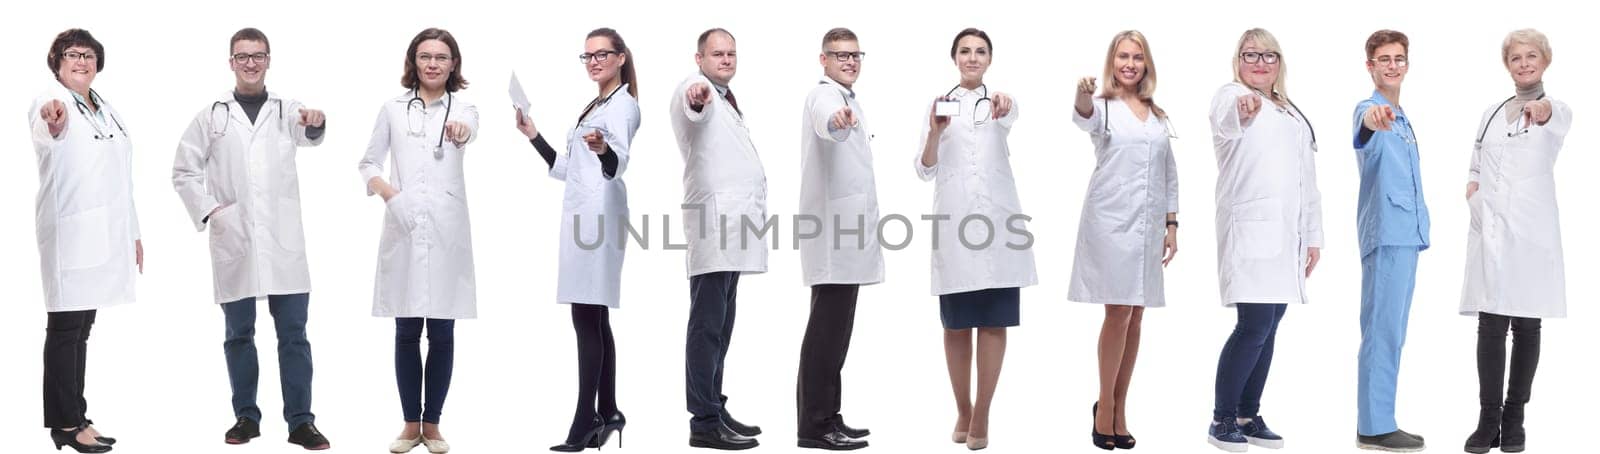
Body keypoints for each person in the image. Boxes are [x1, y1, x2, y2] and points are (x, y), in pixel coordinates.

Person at [171, 27, 330, 450]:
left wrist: (315, 122)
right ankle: (246, 417)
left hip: (283, 244)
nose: (250, 63)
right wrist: (211, 212)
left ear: (269, 59)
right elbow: (183, 171)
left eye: (258, 56)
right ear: (231, 62)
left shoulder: (286, 109)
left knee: (294, 335)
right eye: (242, 57)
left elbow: (308, 131)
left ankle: (301, 422)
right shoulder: (212, 115)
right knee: (238, 334)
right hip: (235, 240)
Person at [515, 27, 640, 453]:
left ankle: (585, 419)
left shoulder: (623, 106)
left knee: (587, 318)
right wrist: (534, 136)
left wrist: (605, 148)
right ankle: (610, 410)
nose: (594, 61)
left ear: (621, 57)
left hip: (599, 221)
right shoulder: (596, 104)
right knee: (595, 317)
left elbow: (616, 163)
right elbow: (569, 168)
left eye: (602, 54)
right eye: (587, 56)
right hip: (582, 219)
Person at [914, 27, 1036, 452]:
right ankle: (962, 408)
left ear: (989, 59)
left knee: (994, 320)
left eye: (980, 51)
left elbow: (1011, 110)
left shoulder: (1000, 104)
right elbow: (924, 168)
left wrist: (1005, 103)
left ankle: (982, 412)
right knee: (956, 324)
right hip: (956, 229)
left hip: (999, 229)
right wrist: (934, 130)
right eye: (964, 51)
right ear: (954, 58)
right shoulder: (939, 106)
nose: (972, 57)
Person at [358, 27, 479, 454]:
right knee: (407, 330)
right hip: (404, 227)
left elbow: (467, 130)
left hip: (447, 230)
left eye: (441, 57)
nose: (433, 64)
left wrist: (461, 132)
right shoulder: (392, 109)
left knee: (442, 330)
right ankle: (411, 426)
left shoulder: (463, 109)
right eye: (425, 56)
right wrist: (392, 195)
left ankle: (435, 424)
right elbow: (368, 162)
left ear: (453, 64)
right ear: (414, 61)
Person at [1204, 28, 1322, 453]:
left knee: (1270, 326)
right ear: (1238, 61)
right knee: (1252, 324)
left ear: (1279, 64)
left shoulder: (1290, 112)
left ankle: (1247, 414)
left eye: (1269, 56)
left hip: (1285, 236)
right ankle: (1221, 419)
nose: (1260, 62)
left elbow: (1308, 181)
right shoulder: (1230, 95)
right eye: (1251, 55)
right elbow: (1226, 116)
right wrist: (1243, 107)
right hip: (1250, 230)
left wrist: (1312, 236)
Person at [1067, 29, 1178, 451]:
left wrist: (1172, 224)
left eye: (1136, 57)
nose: (1129, 64)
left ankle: (1118, 404)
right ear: (1111, 63)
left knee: (1136, 315)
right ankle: (1106, 410)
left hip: (1148, 225)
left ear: (1146, 64)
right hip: (1110, 222)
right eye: (1121, 57)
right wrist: (1081, 93)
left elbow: (1169, 171)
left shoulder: (1157, 114)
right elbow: (1083, 117)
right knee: (1117, 311)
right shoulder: (1103, 107)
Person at [1459, 28, 1569, 454]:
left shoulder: (1557, 109)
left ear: (1545, 60)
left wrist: (1540, 108)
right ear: (1507, 65)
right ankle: (1487, 420)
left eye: (1531, 56)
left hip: (1530, 232)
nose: (1523, 64)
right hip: (1489, 229)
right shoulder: (1492, 111)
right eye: (1516, 58)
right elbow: (1475, 162)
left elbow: (1547, 116)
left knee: (1526, 323)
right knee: (1490, 324)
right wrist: (1473, 191)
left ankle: (1514, 418)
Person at [32, 27, 141, 454]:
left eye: (89, 55)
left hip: (105, 234)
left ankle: (78, 415)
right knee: (65, 329)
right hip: (71, 231)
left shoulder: (103, 107)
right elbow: (48, 128)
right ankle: (64, 424)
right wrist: (53, 121)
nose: (82, 61)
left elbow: (121, 177)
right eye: (73, 55)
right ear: (57, 63)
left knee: (81, 330)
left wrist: (132, 232)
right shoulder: (51, 101)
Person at [669, 27, 768, 451]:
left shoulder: (726, 97)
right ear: (699, 59)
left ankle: (716, 405)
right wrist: (698, 96)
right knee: (707, 326)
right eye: (717, 54)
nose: (726, 59)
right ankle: (703, 422)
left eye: (731, 53)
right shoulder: (696, 90)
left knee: (723, 326)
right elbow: (692, 102)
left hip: (735, 227)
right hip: (715, 224)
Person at [794, 26, 883, 452]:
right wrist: (836, 122)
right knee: (826, 333)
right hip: (833, 236)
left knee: (838, 330)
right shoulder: (824, 97)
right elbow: (826, 122)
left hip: (848, 237)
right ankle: (814, 425)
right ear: (823, 59)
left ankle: (829, 415)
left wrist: (844, 117)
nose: (849, 61)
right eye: (840, 55)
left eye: (855, 55)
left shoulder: (849, 98)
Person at [1352, 29, 1428, 453]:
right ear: (1371, 66)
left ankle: (1383, 418)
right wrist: (1372, 121)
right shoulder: (1372, 109)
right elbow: (1364, 129)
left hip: (1408, 235)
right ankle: (1374, 425)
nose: (1393, 65)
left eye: (1399, 58)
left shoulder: (1403, 116)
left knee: (1393, 331)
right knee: (1381, 329)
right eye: (1384, 59)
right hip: (1386, 234)